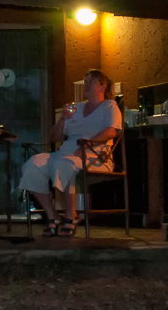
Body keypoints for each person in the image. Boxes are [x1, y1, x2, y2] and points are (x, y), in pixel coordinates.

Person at [19, 69, 123, 237]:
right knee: (34, 164)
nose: (86, 85)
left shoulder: (109, 106)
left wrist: (89, 142)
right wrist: (62, 119)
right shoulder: (76, 107)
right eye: (85, 81)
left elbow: (112, 131)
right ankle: (52, 216)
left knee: (64, 163)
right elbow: (54, 137)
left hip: (94, 156)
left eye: (91, 82)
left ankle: (70, 215)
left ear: (103, 86)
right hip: (65, 153)